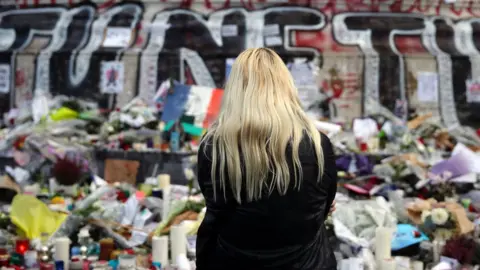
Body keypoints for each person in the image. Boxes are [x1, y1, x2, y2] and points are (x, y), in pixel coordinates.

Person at [196, 48, 338, 270]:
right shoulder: (319, 145)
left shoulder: (214, 147)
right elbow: (324, 209)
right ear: (286, 86)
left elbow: (216, 216)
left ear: (236, 89)